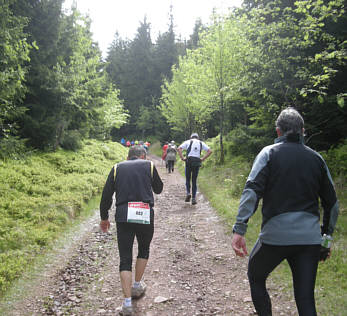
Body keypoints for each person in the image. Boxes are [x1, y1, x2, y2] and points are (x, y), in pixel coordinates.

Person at [231, 107, 339, 316]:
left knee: (256, 276)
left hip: (275, 237)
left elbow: (252, 191)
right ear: (303, 131)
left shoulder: (269, 153)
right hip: (309, 240)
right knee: (306, 297)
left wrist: (240, 229)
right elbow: (333, 204)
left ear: (278, 131)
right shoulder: (317, 159)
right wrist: (325, 239)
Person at [99, 145, 163, 316]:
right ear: (143, 155)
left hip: (123, 214)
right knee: (144, 249)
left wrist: (104, 217)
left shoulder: (116, 168)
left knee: (125, 258)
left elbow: (106, 196)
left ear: (128, 157)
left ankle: (127, 303)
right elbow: (159, 188)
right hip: (144, 213)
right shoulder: (148, 166)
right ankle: (136, 285)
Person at [178, 133, 212, 205]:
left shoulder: (188, 141)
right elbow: (210, 151)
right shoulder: (201, 143)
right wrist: (202, 159)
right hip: (197, 162)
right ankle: (193, 198)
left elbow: (179, 148)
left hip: (189, 161)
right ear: (198, 137)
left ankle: (188, 193)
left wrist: (182, 158)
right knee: (194, 180)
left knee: (187, 179)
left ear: (191, 137)